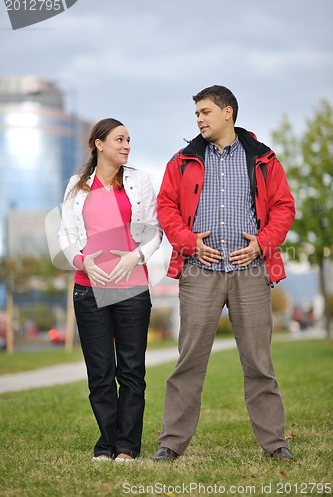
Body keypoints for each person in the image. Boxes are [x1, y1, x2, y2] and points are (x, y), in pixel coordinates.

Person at [154, 85, 295, 462]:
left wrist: (263, 242)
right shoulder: (182, 160)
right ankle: (170, 443)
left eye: (205, 112)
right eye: (196, 114)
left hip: (250, 272)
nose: (198, 119)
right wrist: (187, 240)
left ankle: (275, 443)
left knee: (259, 362)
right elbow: (165, 206)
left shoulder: (263, 158)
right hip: (200, 272)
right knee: (188, 361)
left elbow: (283, 206)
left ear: (228, 112)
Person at [59, 118, 162, 462]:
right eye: (119, 139)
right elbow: (65, 235)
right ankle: (106, 443)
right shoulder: (77, 186)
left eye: (129, 140)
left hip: (132, 288)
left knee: (131, 370)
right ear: (99, 144)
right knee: (100, 372)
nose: (126, 145)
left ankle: (127, 447)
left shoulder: (139, 181)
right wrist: (80, 260)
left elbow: (154, 231)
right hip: (89, 289)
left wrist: (135, 256)